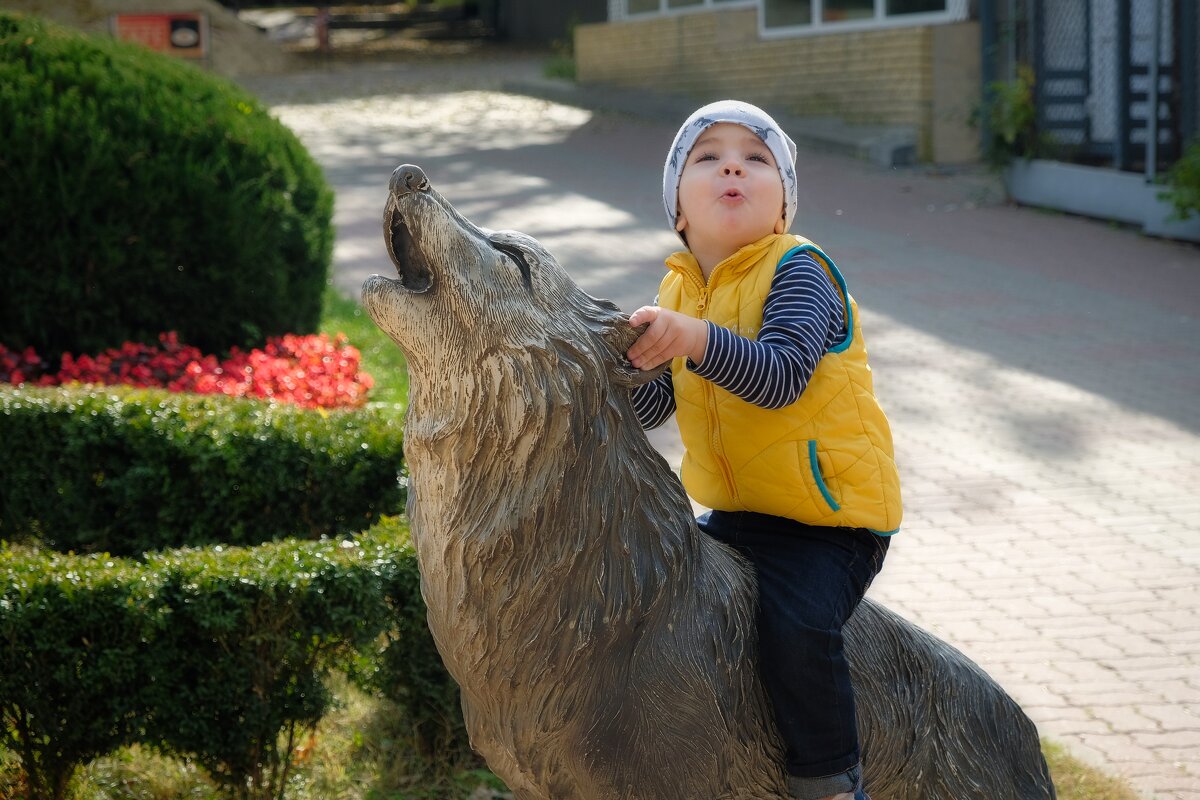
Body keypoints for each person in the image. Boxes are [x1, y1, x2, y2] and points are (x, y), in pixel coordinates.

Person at [626, 100, 902, 800]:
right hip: (742, 513)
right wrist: (624, 373)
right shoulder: (678, 287)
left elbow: (778, 378)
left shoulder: (800, 269)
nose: (732, 166)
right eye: (707, 156)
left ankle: (830, 778)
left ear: (783, 207)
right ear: (678, 210)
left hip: (828, 522)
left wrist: (689, 339)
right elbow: (660, 405)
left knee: (794, 626)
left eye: (756, 158)